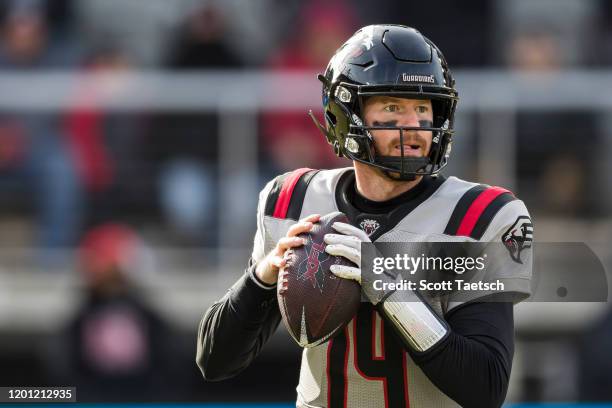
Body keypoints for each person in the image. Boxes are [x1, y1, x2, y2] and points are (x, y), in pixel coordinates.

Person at [196, 25, 533, 408]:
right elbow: (214, 362)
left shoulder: (480, 216)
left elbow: (485, 387)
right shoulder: (292, 200)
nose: (415, 127)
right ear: (347, 113)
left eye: (423, 109)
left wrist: (387, 288)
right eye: (393, 108)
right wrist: (262, 277)